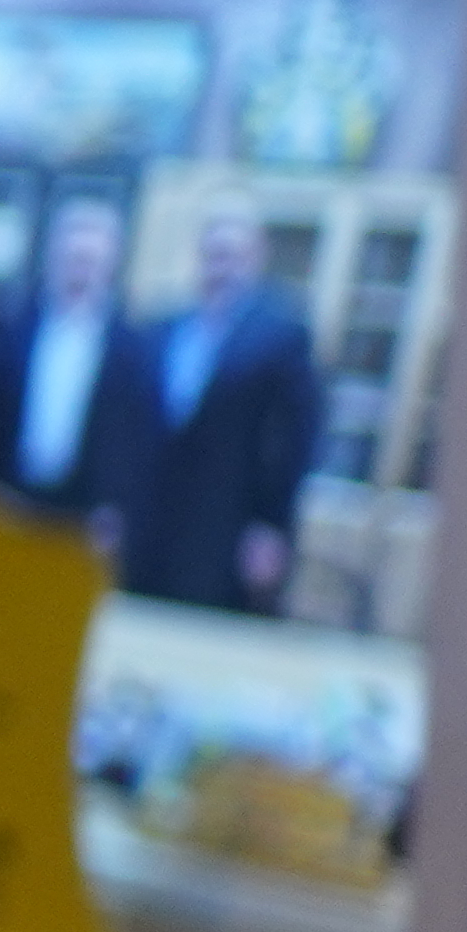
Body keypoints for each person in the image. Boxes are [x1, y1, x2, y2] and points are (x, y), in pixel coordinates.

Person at [113, 187, 328, 614]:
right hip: (149, 524)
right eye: (214, 254)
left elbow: (295, 440)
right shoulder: (163, 329)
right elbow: (129, 426)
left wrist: (271, 527)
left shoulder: (280, 336)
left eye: (234, 255)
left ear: (256, 258)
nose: (222, 267)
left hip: (226, 528)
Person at [0, 196, 138, 523]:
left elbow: (132, 437)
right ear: (53, 256)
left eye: (90, 261)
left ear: (110, 265)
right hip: (6, 504)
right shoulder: (13, 326)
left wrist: (116, 506)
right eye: (73, 258)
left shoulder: (131, 346)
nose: (80, 272)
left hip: (85, 516)